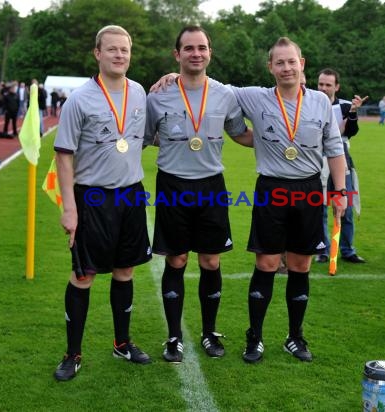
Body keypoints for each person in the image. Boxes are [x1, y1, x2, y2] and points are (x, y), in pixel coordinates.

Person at [229, 38, 347, 363]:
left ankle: (295, 337)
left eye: (291, 61)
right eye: (279, 63)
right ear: (270, 67)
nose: (286, 68)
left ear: (302, 63)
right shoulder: (255, 97)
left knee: (300, 265)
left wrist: (339, 191)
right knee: (266, 264)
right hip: (272, 189)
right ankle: (254, 337)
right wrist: (173, 78)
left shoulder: (321, 101)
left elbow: (334, 149)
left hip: (309, 190)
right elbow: (212, 88)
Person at [144, 25, 253, 363]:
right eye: (188, 48)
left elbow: (240, 134)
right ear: (177, 54)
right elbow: (146, 136)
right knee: (176, 260)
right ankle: (174, 337)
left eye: (202, 48)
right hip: (173, 184)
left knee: (211, 260)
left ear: (210, 53)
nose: (196, 53)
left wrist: (281, 142)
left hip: (211, 186)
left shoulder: (225, 95)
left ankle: (208, 333)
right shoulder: (157, 95)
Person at [52, 25, 152, 381]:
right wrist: (69, 207)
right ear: (97, 53)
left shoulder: (139, 92)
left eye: (124, 49)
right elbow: (64, 156)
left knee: (126, 270)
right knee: (84, 275)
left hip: (131, 194)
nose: (119, 55)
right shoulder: (80, 99)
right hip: (92, 196)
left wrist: (170, 77)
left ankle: (122, 343)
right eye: (112, 49)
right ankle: (72, 353)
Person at [314, 68, 367, 264]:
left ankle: (347, 249)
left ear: (336, 86)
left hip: (341, 160)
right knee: (320, 207)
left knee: (345, 205)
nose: (324, 88)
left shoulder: (345, 106)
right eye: (321, 84)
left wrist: (353, 113)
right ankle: (323, 249)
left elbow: (351, 131)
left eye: (328, 85)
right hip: (317, 161)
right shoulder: (310, 103)